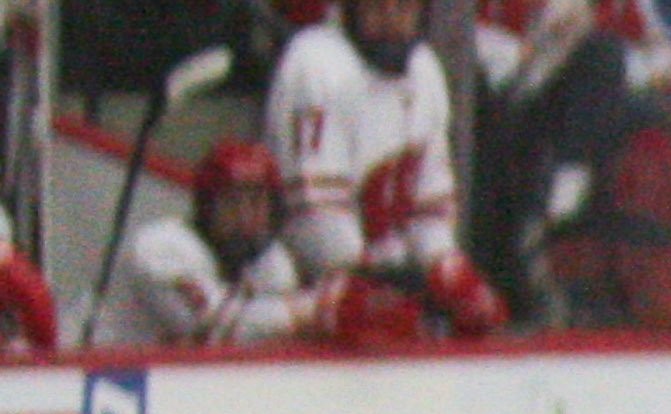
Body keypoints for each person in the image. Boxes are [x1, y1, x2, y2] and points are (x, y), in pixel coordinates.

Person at [271, 0, 511, 336]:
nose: (391, 20)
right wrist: (378, 286)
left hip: (390, 280)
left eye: (403, 8)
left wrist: (447, 271)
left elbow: (431, 203)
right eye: (377, 8)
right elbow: (315, 220)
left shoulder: (424, 67)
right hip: (307, 287)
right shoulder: (316, 61)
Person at [92, 135, 328, 348]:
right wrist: (316, 309)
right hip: (106, 372)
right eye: (231, 201)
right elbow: (219, 331)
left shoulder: (272, 262)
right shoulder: (161, 248)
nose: (244, 216)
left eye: (256, 201)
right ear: (207, 208)